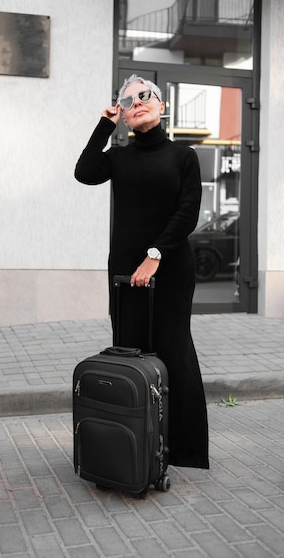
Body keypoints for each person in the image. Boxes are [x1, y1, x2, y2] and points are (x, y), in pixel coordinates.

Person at [74, 74, 209, 469]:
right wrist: (105, 124)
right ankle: (133, 448)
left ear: (162, 106)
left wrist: (156, 255)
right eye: (129, 100)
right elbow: (84, 172)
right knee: (130, 352)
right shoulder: (118, 158)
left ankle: (182, 451)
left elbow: (187, 214)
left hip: (169, 270)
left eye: (147, 95)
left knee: (174, 353)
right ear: (125, 116)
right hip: (126, 274)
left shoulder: (184, 156)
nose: (139, 101)